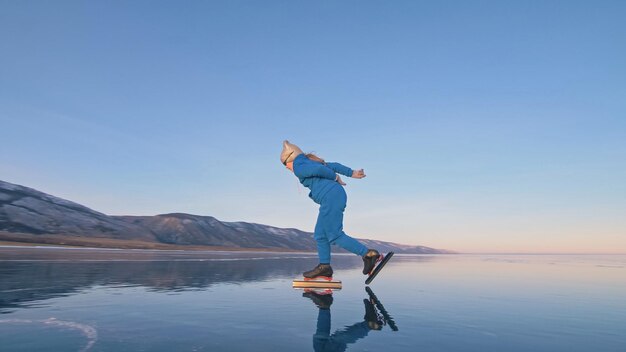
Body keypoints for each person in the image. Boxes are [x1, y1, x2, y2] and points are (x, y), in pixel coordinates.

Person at [280, 140, 383, 279]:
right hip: (333, 196)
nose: (287, 168)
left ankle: (369, 255)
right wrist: (352, 173)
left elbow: (320, 170)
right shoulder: (308, 162)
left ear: (290, 157)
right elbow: (333, 165)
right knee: (320, 235)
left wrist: (335, 177)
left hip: (331, 197)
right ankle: (325, 267)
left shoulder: (299, 166)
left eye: (286, 165)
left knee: (334, 234)